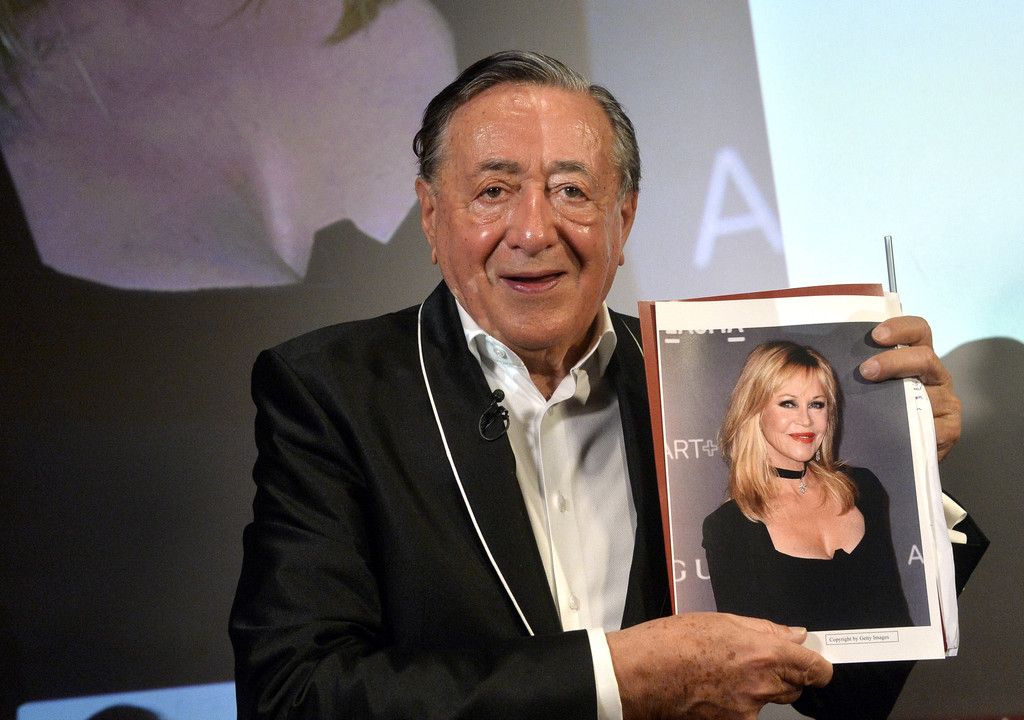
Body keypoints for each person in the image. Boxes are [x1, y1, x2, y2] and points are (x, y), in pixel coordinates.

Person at [229, 51, 986, 719]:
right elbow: (295, 695)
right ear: (432, 217)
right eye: (493, 190)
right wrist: (616, 680)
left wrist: (909, 472)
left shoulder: (693, 381)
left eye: (571, 191)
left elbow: (842, 695)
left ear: (623, 219)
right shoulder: (330, 393)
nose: (534, 231)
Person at [702, 340, 912, 633]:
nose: (806, 420)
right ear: (755, 410)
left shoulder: (862, 488)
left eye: (817, 404)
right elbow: (753, 653)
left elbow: (897, 617)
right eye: (788, 403)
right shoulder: (729, 527)